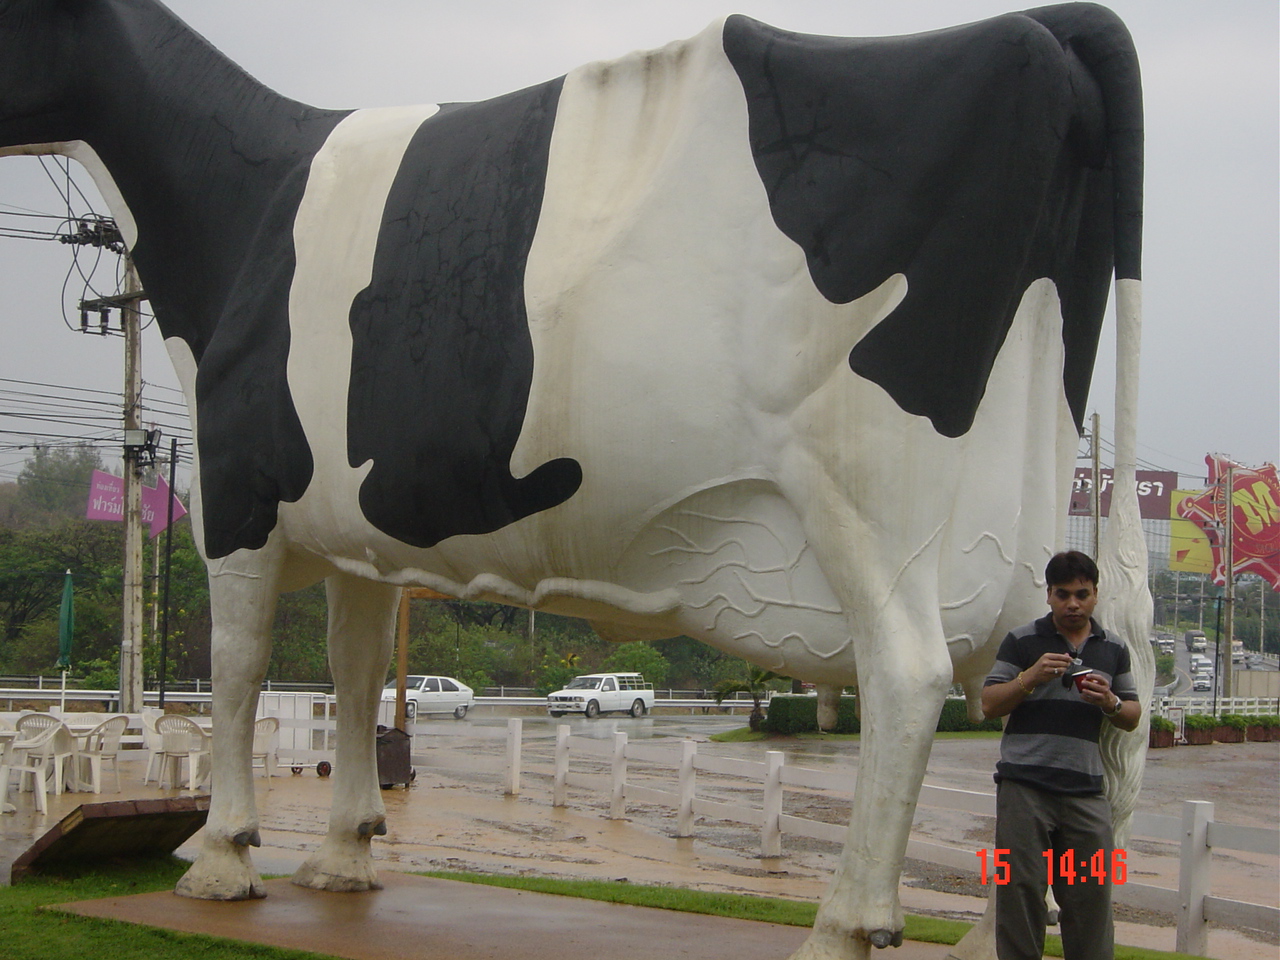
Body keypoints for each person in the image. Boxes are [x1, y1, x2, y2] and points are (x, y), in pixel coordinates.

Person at [981, 550, 1141, 960]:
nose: (1073, 603)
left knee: (1091, 898)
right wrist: (1029, 677)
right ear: (1048, 595)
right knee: (1021, 891)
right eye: (1063, 594)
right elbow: (989, 704)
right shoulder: (1022, 640)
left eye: (1082, 594)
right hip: (1024, 787)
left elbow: (1131, 715)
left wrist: (1108, 701)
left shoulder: (1114, 649)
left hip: (1085, 792)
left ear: (1095, 595)